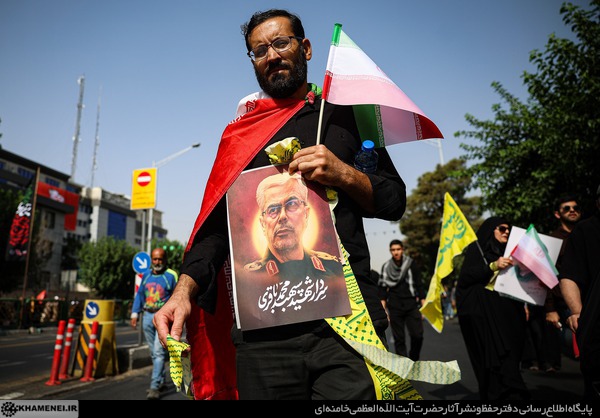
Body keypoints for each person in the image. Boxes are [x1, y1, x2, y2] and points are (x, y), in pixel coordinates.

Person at [153, 9, 407, 400]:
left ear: (305, 48)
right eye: (259, 50)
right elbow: (217, 230)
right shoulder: (242, 135)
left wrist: (344, 174)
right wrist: (183, 291)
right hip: (264, 335)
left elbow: (394, 202)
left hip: (347, 326)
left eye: (280, 43)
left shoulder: (344, 118)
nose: (271, 56)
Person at [234, 171, 349, 330]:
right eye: (273, 209)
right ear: (262, 224)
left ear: (306, 214)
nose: (282, 216)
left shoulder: (333, 268)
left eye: (292, 204)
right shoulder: (249, 280)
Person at [455, 216, 531, 401]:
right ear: (491, 231)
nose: (506, 232)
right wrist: (493, 266)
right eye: (502, 228)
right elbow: (466, 278)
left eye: (509, 229)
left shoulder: (513, 253)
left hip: (510, 314)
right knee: (494, 361)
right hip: (486, 316)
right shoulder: (477, 250)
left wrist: (525, 303)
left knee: (511, 355)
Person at [559, 184, 600, 402]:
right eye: (566, 208)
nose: (572, 211)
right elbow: (569, 276)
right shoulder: (586, 231)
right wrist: (577, 312)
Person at [131, 248, 178, 400]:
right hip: (147, 317)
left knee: (158, 353)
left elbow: (177, 297)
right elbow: (140, 295)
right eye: (155, 259)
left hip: (162, 318)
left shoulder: (171, 276)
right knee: (154, 353)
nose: (157, 262)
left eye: (160, 259)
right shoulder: (146, 275)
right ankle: (162, 381)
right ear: (151, 260)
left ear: (165, 260)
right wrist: (134, 313)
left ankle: (154, 386)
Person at [544, 195, 582, 371]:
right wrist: (550, 308)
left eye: (575, 207)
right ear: (557, 214)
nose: (572, 210)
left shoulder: (588, 233)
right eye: (566, 208)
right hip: (566, 304)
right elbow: (547, 276)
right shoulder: (552, 240)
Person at [377, 239, 425, 360]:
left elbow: (419, 285)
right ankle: (404, 365)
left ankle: (414, 358)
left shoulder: (411, 264)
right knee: (399, 339)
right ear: (390, 251)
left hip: (411, 304)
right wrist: (384, 311)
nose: (396, 252)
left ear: (402, 250)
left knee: (418, 335)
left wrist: (423, 306)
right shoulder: (386, 267)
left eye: (398, 249)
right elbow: (382, 291)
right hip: (395, 306)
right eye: (393, 250)